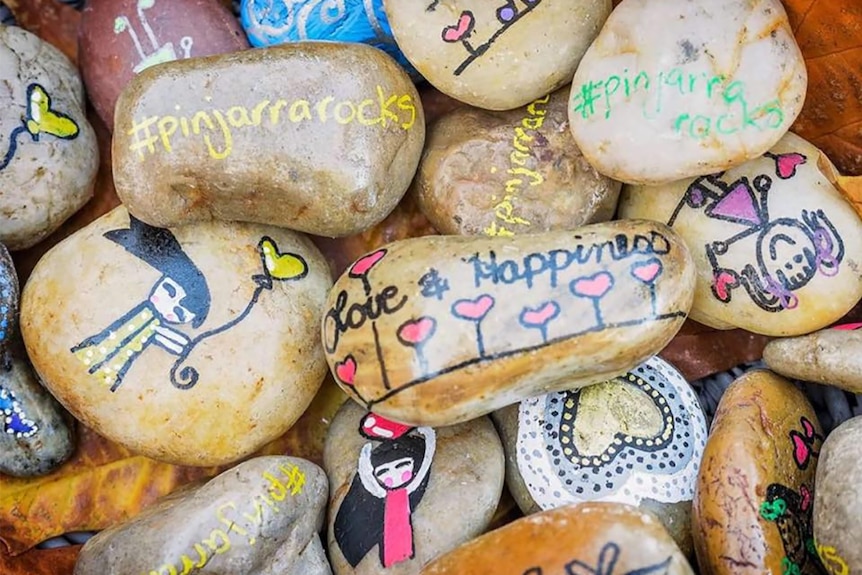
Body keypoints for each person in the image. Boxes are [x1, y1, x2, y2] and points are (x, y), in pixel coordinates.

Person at [71, 215, 210, 392]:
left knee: (115, 360)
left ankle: (101, 369)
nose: (169, 307)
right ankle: (90, 355)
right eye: (169, 291)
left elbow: (173, 341)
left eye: (179, 313)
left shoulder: (155, 327)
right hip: (100, 345)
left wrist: (185, 348)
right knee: (103, 344)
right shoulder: (140, 310)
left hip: (116, 367)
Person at [334, 427, 436, 568]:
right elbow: (367, 477)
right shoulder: (377, 494)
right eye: (384, 471)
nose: (394, 476)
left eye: (402, 465)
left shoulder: (415, 483)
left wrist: (429, 437)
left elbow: (426, 460)